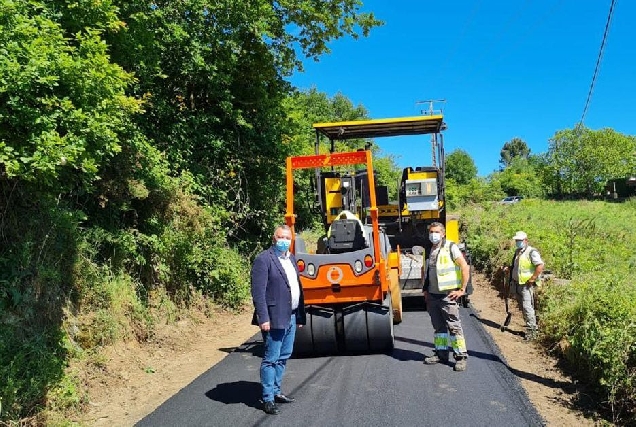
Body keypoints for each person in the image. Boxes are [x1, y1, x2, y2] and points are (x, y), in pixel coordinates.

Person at [251, 224, 306, 415]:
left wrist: (298, 314)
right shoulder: (263, 260)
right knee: (270, 359)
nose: (284, 241)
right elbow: (258, 292)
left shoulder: (290, 258)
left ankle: (276, 391)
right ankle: (267, 399)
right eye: (281, 237)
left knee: (284, 356)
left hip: (290, 316)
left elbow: (294, 288)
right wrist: (263, 318)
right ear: (274, 238)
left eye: (288, 238)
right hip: (274, 318)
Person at [421, 222, 471, 372]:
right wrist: (425, 289)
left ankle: (460, 357)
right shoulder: (429, 249)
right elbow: (426, 270)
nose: (433, 234)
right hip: (432, 295)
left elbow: (464, 266)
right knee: (439, 328)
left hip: (447, 295)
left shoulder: (451, 247)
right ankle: (441, 354)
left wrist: (462, 289)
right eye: (431, 232)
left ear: (443, 233)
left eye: (436, 232)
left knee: (454, 327)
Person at [506, 231, 544, 341]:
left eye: (519, 241)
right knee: (522, 307)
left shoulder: (531, 252)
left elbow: (540, 265)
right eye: (517, 241)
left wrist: (532, 278)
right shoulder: (518, 252)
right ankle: (529, 328)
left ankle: (532, 332)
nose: (518, 243)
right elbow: (516, 266)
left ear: (525, 241)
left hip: (526, 285)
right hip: (517, 284)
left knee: (528, 307)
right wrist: (508, 269)